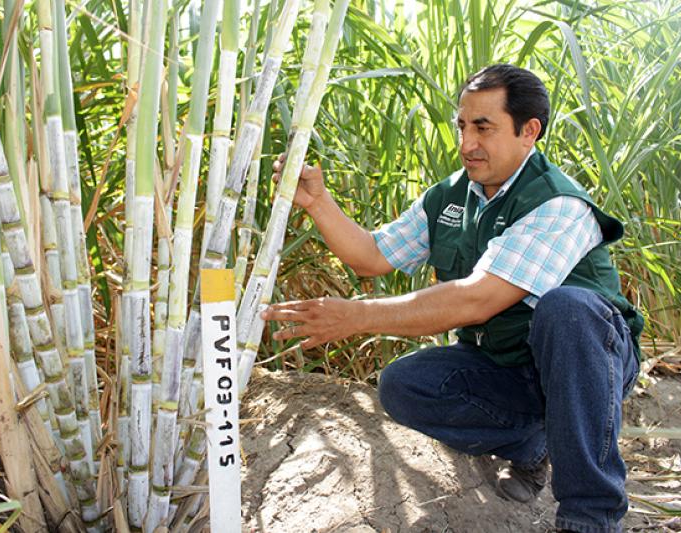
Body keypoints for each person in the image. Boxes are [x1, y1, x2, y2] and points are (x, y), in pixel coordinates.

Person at [262, 64, 644, 533]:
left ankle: (591, 517)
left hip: (589, 364)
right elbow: (371, 255)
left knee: (568, 309)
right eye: (462, 125)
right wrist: (318, 202)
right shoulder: (450, 198)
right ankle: (533, 444)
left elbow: (476, 300)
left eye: (484, 127)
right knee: (405, 384)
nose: (467, 144)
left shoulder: (557, 204)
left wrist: (357, 316)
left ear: (529, 132)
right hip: (505, 364)